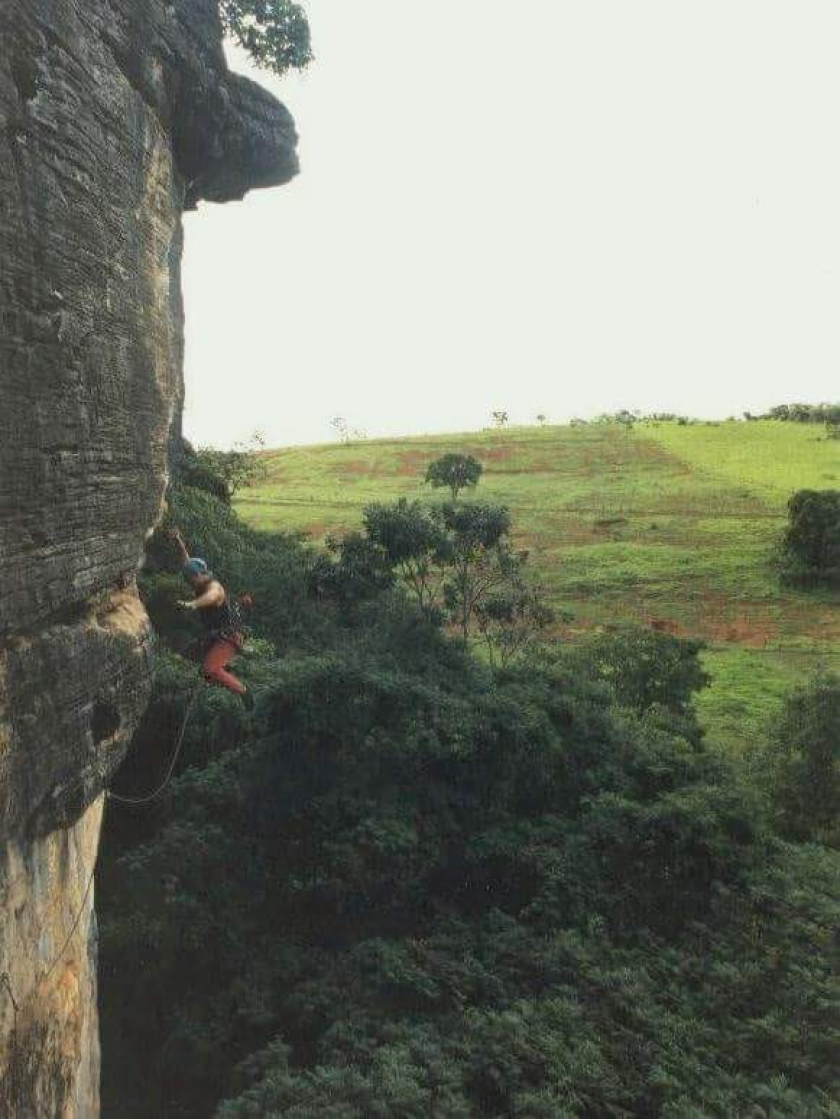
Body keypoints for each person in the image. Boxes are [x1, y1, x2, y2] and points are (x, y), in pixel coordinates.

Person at [169, 529, 254, 709]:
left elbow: (210, 597)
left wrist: (191, 604)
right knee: (196, 665)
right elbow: (186, 561)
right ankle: (222, 670)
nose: (189, 583)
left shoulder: (214, 587)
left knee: (209, 670)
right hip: (215, 636)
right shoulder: (199, 578)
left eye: (190, 580)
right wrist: (178, 540)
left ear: (198, 576)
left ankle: (244, 692)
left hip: (228, 637)